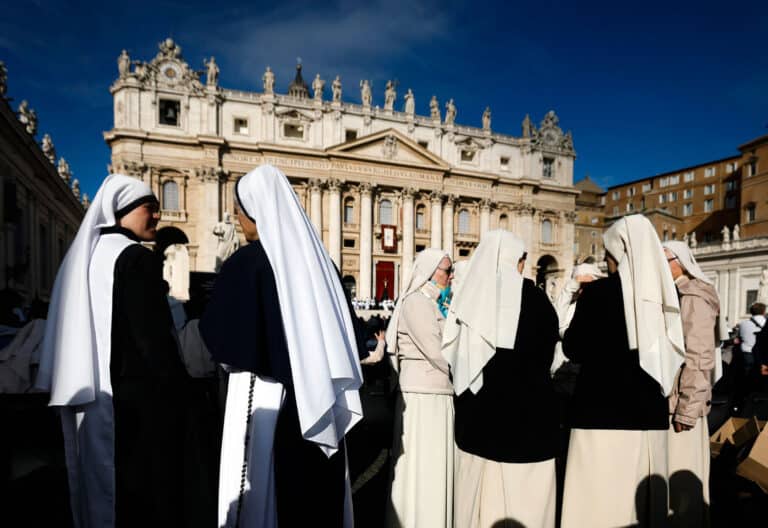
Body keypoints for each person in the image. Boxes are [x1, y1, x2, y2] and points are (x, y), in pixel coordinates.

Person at [199, 164, 363, 527]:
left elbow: (217, 333)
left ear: (256, 210)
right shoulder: (322, 264)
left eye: (240, 211)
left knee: (263, 486)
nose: (238, 219)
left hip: (264, 390)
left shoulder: (247, 262)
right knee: (315, 487)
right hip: (318, 392)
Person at [35, 174, 193, 527]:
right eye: (149, 208)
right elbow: (153, 340)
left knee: (101, 485)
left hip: (93, 392)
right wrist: (182, 392)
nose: (157, 215)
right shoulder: (136, 258)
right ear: (122, 210)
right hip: (138, 401)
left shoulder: (86, 255)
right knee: (145, 494)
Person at [560, 215, 685, 528]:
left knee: (599, 501)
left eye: (608, 254)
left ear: (619, 252)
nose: (606, 260)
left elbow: (573, 347)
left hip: (600, 415)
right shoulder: (663, 295)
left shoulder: (598, 293)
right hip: (648, 415)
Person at [442, 230, 560, 527]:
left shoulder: (470, 300)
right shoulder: (539, 301)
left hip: (480, 423)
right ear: (518, 260)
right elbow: (547, 355)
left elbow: (455, 358)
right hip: (529, 423)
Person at [384, 248, 454, 528]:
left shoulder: (434, 302)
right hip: (423, 396)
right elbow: (437, 350)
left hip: (436, 394)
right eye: (447, 270)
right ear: (430, 272)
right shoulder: (416, 302)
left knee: (431, 466)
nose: (451, 276)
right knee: (422, 466)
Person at [662, 240, 723, 526]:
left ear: (680, 262)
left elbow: (699, 356)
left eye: (664, 259)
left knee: (681, 476)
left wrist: (686, 410)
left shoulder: (694, 295)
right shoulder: (677, 292)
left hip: (683, 404)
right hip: (675, 399)